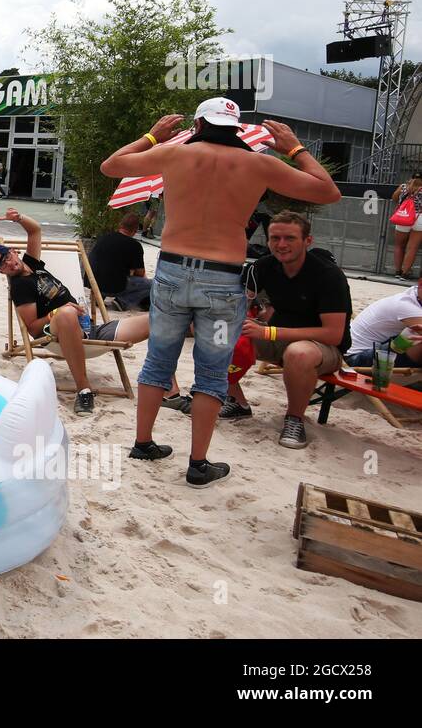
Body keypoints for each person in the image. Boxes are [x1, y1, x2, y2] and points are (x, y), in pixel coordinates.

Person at [99, 98, 341, 487]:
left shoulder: (175, 154)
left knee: (158, 362)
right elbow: (327, 192)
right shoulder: (259, 164)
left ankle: (143, 442)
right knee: (211, 372)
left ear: (198, 123)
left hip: (173, 271)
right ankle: (198, 464)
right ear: (237, 128)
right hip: (222, 280)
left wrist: (151, 136)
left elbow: (111, 165)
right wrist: (294, 148)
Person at [0, 208, 172, 415]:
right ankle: (84, 390)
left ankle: (169, 390)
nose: (8, 264)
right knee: (66, 315)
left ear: (14, 251)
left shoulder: (32, 264)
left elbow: (35, 231)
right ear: (1, 271)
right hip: (57, 334)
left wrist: (19, 218)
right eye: (2, 265)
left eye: (7, 257)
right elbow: (33, 328)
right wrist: (59, 311)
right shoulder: (20, 287)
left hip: (90, 330)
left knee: (156, 320)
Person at [224, 212, 350, 450]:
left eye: (290, 238)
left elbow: (333, 334)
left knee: (298, 354)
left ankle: (294, 420)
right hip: (278, 335)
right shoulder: (265, 266)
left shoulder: (328, 275)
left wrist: (270, 333)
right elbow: (238, 296)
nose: (281, 245)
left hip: (323, 348)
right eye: (275, 238)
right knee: (218, 333)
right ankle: (236, 401)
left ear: (307, 241)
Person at [346, 272, 422, 369]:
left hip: (375, 348)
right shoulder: (407, 306)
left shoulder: (415, 294)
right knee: (417, 341)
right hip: (355, 359)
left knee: (411, 338)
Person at [88, 212, 152, 311]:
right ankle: (122, 302)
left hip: (92, 282)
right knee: (152, 285)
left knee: (109, 272)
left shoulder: (104, 237)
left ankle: (98, 296)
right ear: (135, 230)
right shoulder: (134, 245)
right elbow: (140, 273)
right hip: (115, 286)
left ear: (120, 225)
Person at [389, 176, 422, 278]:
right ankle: (405, 273)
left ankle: (397, 271)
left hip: (403, 216)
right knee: (412, 248)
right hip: (419, 218)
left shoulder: (403, 187)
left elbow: (394, 198)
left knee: (399, 245)